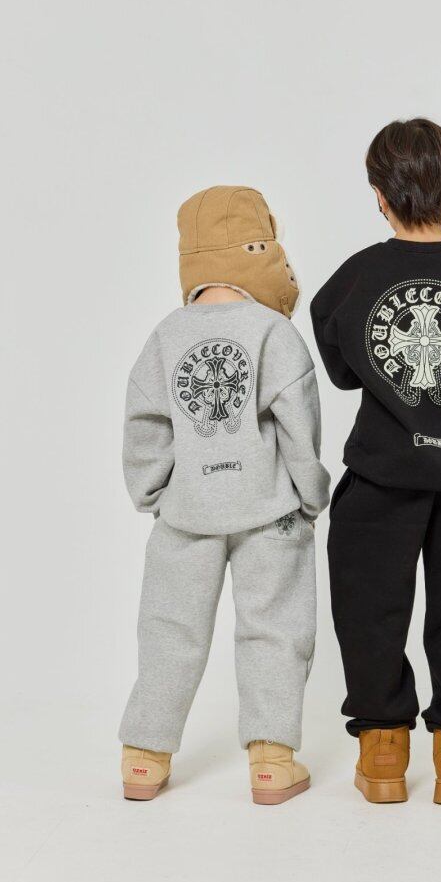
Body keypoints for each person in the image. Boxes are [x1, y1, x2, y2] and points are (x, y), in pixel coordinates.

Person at [310, 119, 441, 806]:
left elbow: (343, 369)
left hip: (379, 477)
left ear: (378, 194)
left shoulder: (354, 279)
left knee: (369, 610)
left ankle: (382, 755)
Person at [119, 186, 330, 804]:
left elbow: (145, 423)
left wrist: (155, 492)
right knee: (275, 627)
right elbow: (299, 427)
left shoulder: (166, 336)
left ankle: (144, 757)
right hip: (269, 511)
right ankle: (271, 762)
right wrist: (309, 495)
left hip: (187, 513)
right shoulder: (275, 333)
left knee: (168, 628)